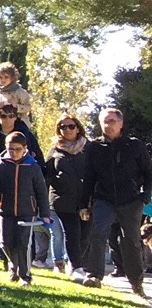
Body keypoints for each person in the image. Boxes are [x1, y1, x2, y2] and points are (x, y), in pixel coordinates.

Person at [81, 106, 152, 295]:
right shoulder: (95, 147)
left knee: (131, 240)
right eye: (105, 121)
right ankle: (95, 275)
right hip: (104, 199)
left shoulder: (135, 145)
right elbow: (89, 176)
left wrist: (145, 196)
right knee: (98, 232)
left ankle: (136, 282)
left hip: (131, 201)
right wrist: (84, 204)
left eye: (112, 121)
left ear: (121, 124)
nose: (108, 125)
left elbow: (148, 172)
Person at [0, 130, 49, 285]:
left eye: (18, 149)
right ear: (6, 148)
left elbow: (41, 192)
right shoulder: (1, 165)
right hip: (6, 211)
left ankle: (25, 276)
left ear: (25, 149)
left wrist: (45, 213)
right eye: (11, 149)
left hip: (26, 212)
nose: (14, 153)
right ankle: (13, 265)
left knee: (23, 244)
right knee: (5, 242)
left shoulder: (33, 167)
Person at [45, 113, 94, 285]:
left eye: (70, 126)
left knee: (85, 235)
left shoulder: (89, 148)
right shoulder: (55, 150)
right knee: (71, 233)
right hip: (62, 199)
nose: (67, 130)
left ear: (78, 128)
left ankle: (79, 263)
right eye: (63, 127)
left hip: (86, 199)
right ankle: (77, 268)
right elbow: (47, 175)